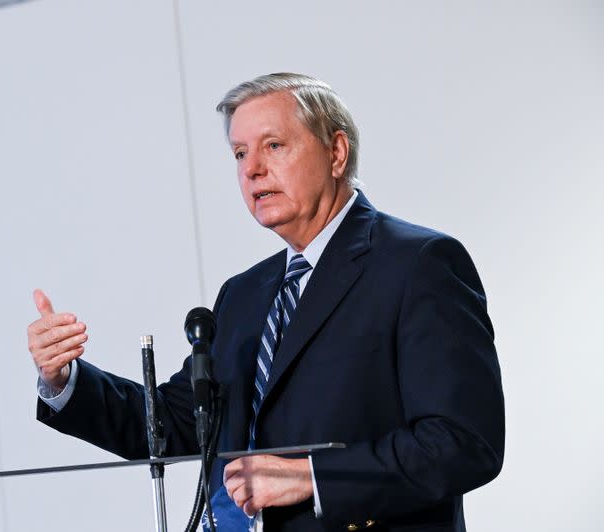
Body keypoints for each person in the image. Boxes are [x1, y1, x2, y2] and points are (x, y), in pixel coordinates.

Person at [27, 73, 505, 532]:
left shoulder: (418, 263)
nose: (252, 169)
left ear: (336, 152)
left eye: (273, 146)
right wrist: (63, 378)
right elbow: (177, 424)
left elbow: (464, 442)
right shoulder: (244, 294)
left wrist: (312, 476)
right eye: (239, 153)